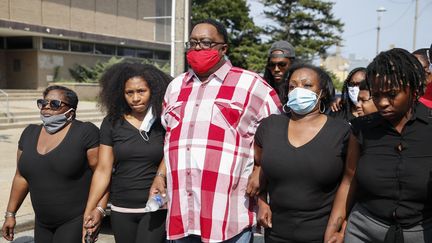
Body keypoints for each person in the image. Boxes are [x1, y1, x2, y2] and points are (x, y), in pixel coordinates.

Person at [150, 18, 281, 242]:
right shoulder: (175, 87)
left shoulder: (252, 85)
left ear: (223, 48)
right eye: (193, 43)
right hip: (183, 212)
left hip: (228, 214)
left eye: (206, 42)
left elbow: (278, 137)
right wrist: (160, 174)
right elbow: (171, 138)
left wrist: (260, 170)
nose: (198, 48)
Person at [325, 48, 432, 243]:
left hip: (421, 231)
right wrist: (334, 229)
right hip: (363, 231)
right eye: (376, 95)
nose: (382, 102)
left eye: (392, 94)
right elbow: (349, 181)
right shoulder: (361, 129)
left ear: (413, 88)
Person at [255, 63, 350, 242]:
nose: (299, 90)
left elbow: (350, 183)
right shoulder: (270, 126)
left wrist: (339, 228)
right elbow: (259, 165)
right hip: (275, 233)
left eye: (307, 85)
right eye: (292, 86)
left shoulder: (342, 132)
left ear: (322, 92)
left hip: (323, 236)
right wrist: (261, 201)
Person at [82, 63, 171, 243]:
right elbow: (103, 170)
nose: (135, 98)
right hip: (121, 208)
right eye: (129, 93)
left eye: (141, 91)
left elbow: (172, 155)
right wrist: (90, 210)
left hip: (156, 208)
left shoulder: (165, 121)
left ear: (154, 91)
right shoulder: (112, 122)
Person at [1, 85, 99, 243]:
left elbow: (102, 175)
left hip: (75, 220)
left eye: (54, 104)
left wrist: (98, 211)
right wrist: (10, 214)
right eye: (43, 102)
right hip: (41, 223)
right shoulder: (29, 133)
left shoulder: (86, 132)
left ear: (71, 111)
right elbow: (21, 177)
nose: (46, 107)